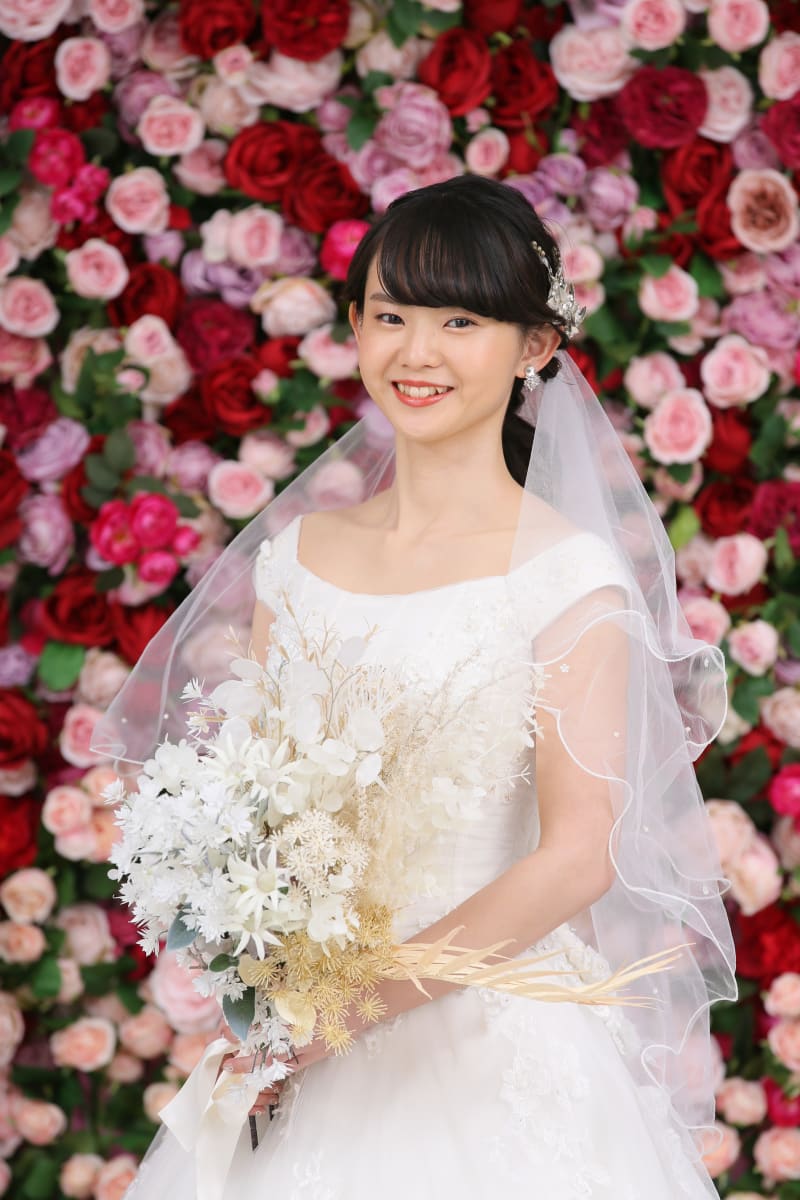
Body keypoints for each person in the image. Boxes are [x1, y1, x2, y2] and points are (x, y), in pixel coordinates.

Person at [95, 175, 736, 1200]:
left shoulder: (566, 574)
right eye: (390, 316)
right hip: (308, 1036)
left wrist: (347, 1009)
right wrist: (267, 973)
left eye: (459, 322)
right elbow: (258, 804)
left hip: (487, 1039)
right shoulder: (299, 557)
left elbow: (577, 855)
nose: (416, 352)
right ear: (354, 327)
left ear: (533, 346)